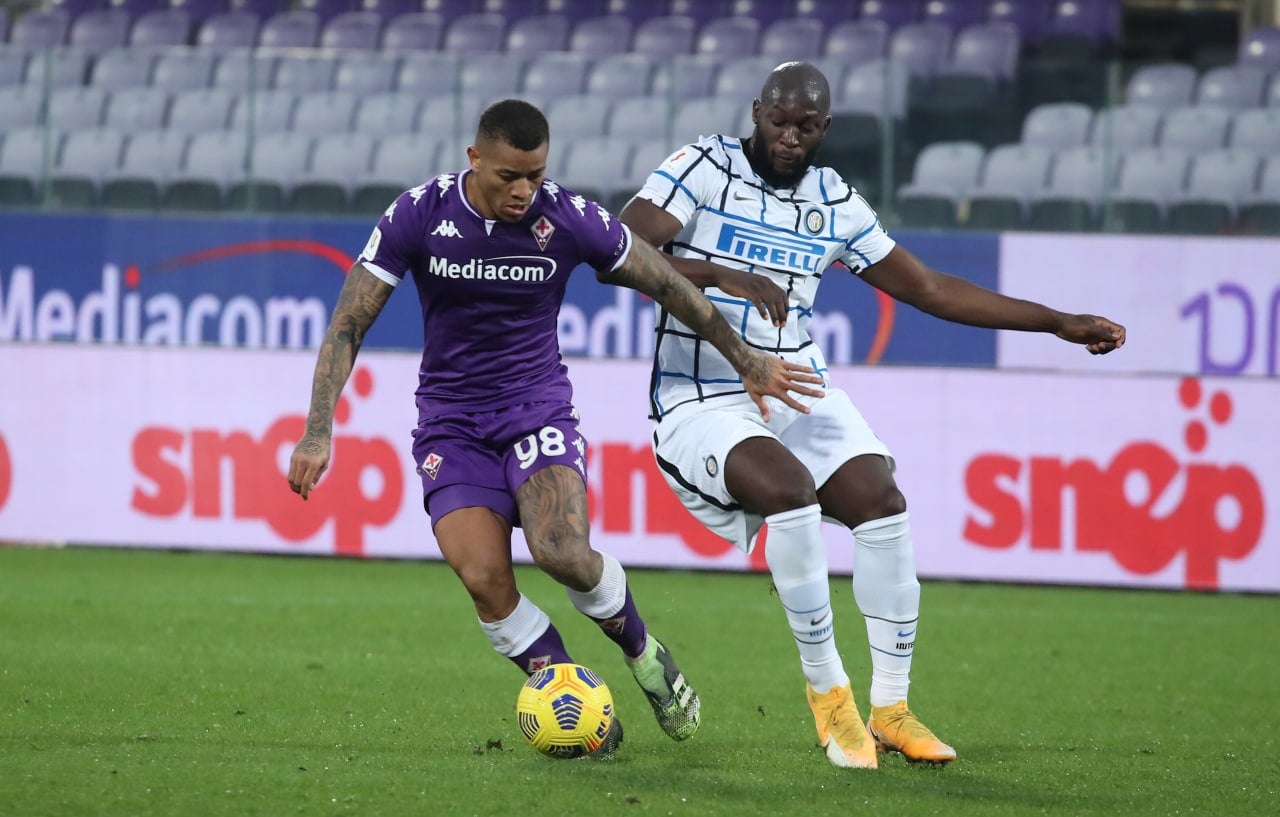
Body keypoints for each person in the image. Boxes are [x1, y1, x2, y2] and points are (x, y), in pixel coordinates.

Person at [619, 62, 1127, 769]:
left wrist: (1056, 321)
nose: (790, 137)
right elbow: (621, 251)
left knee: (883, 504)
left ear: (825, 129)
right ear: (757, 111)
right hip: (698, 395)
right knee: (790, 491)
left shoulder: (835, 201)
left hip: (794, 385)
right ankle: (831, 697)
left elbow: (929, 288)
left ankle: (891, 707)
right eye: (779, 121)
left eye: (806, 126)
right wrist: (723, 274)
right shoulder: (704, 164)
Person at [286, 99, 824, 759]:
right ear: (474, 159)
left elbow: (666, 284)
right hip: (451, 426)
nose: (523, 191)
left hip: (534, 410)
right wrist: (319, 429)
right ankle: (571, 687)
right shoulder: (419, 213)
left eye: (535, 175)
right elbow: (349, 320)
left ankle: (643, 651)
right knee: (484, 577)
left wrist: (745, 359)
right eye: (509, 176)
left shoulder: (566, 217)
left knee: (562, 550)